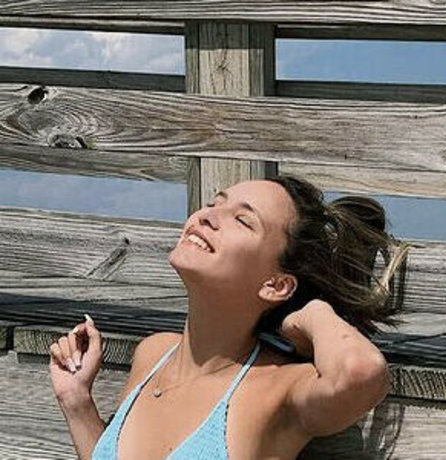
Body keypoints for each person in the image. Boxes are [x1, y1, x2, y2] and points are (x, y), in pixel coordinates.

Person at [49, 174, 409, 459]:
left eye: (242, 220)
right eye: (213, 203)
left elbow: (360, 372)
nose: (207, 216)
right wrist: (76, 402)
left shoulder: (277, 389)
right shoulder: (153, 353)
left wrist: (313, 313)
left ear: (276, 285)